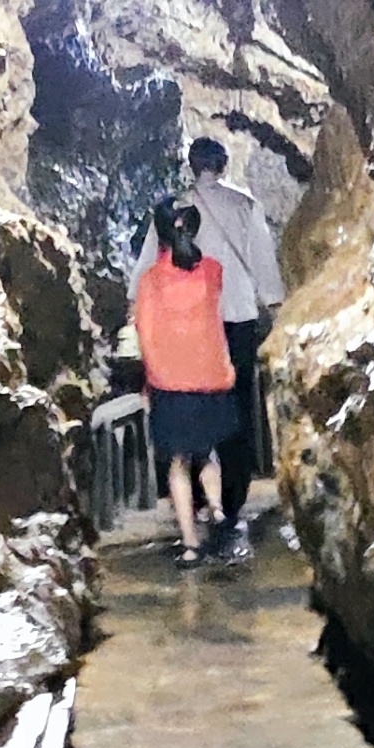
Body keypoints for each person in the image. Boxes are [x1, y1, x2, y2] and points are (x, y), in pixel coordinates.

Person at [132, 198, 243, 562]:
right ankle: (217, 507)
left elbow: (146, 335)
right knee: (207, 451)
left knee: (178, 463)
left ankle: (191, 545)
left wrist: (149, 381)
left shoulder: (150, 281)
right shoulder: (213, 271)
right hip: (211, 376)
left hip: (170, 381)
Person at [185, 137, 286, 510]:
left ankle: (196, 488)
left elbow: (152, 258)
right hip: (238, 315)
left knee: (193, 398)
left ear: (192, 166)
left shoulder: (178, 206)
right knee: (238, 402)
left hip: (193, 319)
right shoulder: (244, 205)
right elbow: (262, 258)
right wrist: (273, 302)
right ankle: (234, 491)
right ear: (224, 166)